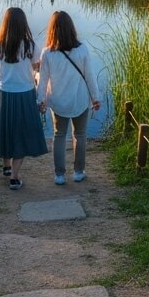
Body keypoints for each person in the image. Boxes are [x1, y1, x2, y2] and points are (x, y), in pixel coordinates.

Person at [0, 7, 47, 189]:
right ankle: (14, 176)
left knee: (6, 129)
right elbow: (37, 67)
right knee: (20, 133)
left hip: (4, 94)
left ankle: (6, 166)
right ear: (23, 23)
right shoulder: (30, 45)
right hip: (25, 94)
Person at [36, 11, 101, 185]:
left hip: (58, 101)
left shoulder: (47, 53)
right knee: (80, 134)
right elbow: (90, 76)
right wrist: (96, 97)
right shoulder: (82, 49)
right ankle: (78, 172)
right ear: (71, 28)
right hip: (79, 99)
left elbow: (43, 80)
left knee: (59, 135)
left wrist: (40, 100)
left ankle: (59, 175)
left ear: (52, 30)